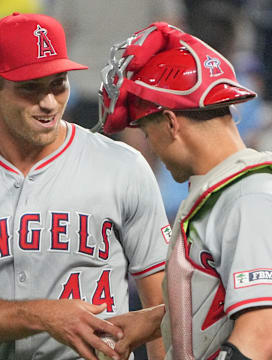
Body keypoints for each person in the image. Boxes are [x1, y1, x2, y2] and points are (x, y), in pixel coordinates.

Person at [0, 13, 170, 360]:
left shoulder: (122, 167)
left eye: (57, 84)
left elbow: (164, 309)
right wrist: (42, 316)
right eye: (30, 87)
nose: (48, 102)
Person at [96, 22, 272, 359]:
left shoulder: (250, 198)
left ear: (170, 123)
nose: (152, 147)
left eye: (148, 133)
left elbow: (261, 335)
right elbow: (221, 297)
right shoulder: (225, 191)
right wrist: (154, 321)